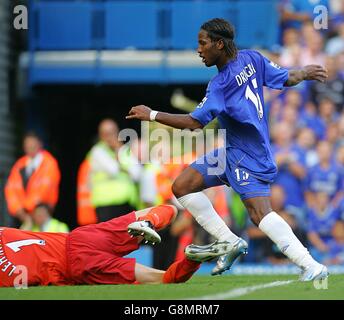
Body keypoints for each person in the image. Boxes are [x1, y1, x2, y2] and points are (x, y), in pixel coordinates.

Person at [126, 18, 329, 281]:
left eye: (203, 43)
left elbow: (194, 122)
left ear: (219, 44)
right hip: (233, 152)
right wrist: (306, 72)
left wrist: (151, 114)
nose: (199, 49)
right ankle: (230, 241)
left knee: (259, 214)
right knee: (182, 186)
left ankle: (310, 265)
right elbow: (287, 77)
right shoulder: (252, 59)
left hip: (246, 156)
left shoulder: (220, 85)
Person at [0, 204, 222, 287]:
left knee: (162, 279)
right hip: (81, 238)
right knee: (169, 209)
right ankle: (149, 221)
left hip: (77, 265)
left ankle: (191, 260)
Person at [4, 132, 61, 230]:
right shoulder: (19, 165)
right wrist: (20, 211)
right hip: (22, 216)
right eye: (27, 145)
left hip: (42, 214)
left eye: (32, 144)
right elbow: (10, 190)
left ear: (40, 145)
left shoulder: (49, 163)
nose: (30, 147)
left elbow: (45, 190)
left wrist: (29, 210)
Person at [88, 119, 141, 222]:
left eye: (112, 132)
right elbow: (113, 169)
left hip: (127, 204)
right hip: (106, 206)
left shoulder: (124, 150)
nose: (109, 136)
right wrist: (125, 167)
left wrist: (119, 149)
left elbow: (137, 174)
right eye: (106, 133)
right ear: (100, 135)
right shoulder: (98, 151)